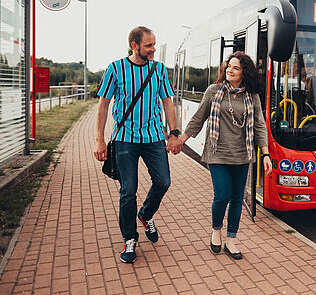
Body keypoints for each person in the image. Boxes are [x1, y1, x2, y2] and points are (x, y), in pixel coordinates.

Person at [170, 51, 272, 260]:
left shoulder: (251, 96)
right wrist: (181, 140)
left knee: (237, 199)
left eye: (235, 67)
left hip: (243, 154)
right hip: (217, 153)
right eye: (228, 66)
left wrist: (266, 153)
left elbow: (260, 124)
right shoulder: (214, 91)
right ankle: (216, 230)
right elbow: (198, 118)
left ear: (245, 72)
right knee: (222, 196)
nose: (229, 70)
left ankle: (231, 239)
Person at [93, 26, 180, 264]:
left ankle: (146, 214)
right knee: (128, 191)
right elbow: (103, 105)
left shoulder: (159, 70)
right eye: (149, 45)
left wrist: (173, 133)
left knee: (163, 181)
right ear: (135, 46)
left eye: (154, 44)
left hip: (153, 138)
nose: (153, 49)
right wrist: (100, 139)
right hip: (124, 140)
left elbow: (167, 102)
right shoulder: (116, 69)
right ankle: (130, 239)